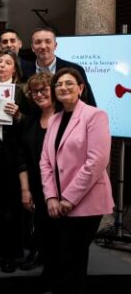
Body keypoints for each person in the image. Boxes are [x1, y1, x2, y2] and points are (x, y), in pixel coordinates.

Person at [40, 68, 113, 294]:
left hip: (86, 201)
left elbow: (96, 161)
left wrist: (69, 198)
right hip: (58, 201)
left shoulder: (95, 115)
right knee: (60, 256)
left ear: (81, 88)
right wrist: (51, 196)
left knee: (73, 259)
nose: (63, 87)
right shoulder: (55, 119)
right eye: (59, 84)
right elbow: (45, 162)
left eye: (69, 83)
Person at [0, 49, 27, 272]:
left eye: (7, 62)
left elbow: (32, 122)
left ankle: (10, 255)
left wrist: (19, 115)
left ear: (15, 68)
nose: (2, 65)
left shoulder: (21, 92)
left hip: (13, 156)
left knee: (12, 207)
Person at [16, 73, 54, 278]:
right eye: (34, 91)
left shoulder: (66, 119)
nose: (39, 95)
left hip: (61, 187)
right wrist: (25, 189)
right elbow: (22, 156)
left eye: (44, 90)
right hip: (35, 182)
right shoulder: (30, 120)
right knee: (38, 222)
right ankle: (38, 253)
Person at [21, 27, 96, 106]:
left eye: (48, 42)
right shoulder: (23, 71)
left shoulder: (74, 69)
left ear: (55, 45)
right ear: (32, 47)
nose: (43, 46)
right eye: (38, 42)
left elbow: (88, 102)